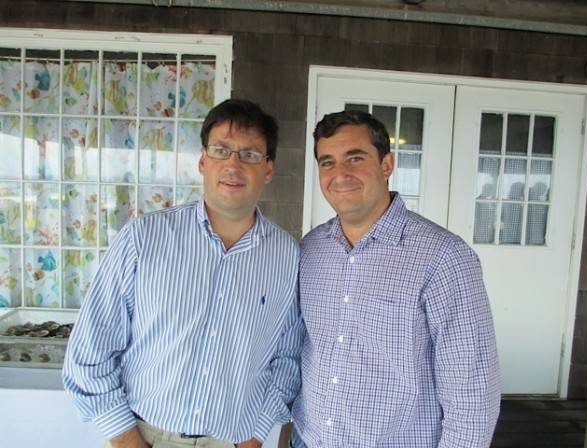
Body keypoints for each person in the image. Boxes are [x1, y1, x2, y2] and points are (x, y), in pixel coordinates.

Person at [63, 99, 303, 448]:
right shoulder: (144, 238)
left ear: (268, 169)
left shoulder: (287, 256)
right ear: (203, 161)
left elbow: (287, 358)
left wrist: (254, 436)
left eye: (249, 154)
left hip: (231, 441)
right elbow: (91, 349)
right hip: (143, 435)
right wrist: (127, 440)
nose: (233, 164)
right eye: (221, 150)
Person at [291, 110, 501, 447]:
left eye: (355, 158)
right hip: (309, 439)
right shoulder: (312, 249)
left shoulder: (444, 257)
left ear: (386, 165)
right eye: (327, 162)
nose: (340, 174)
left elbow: (472, 393)